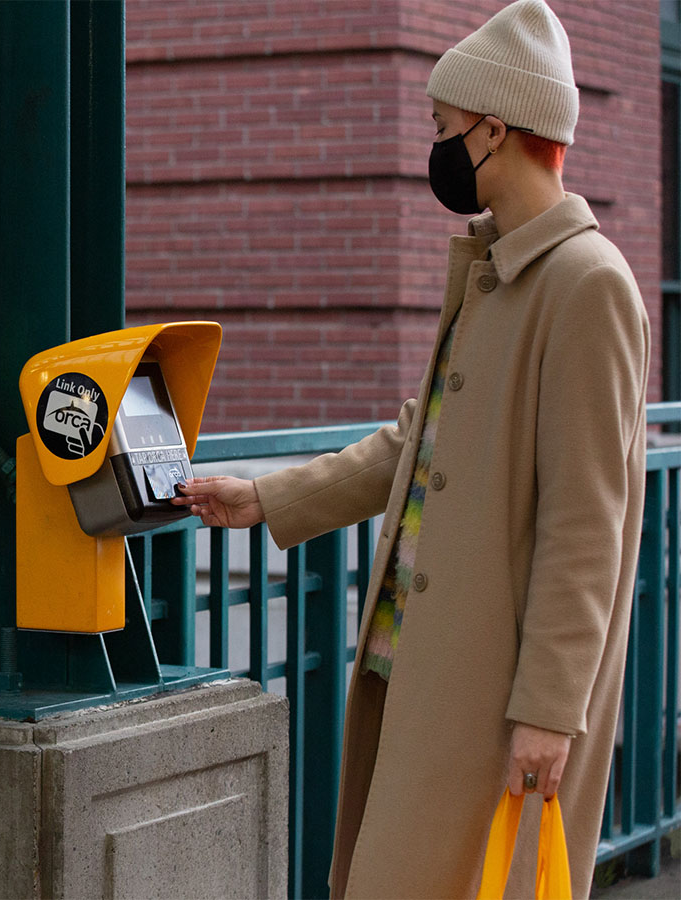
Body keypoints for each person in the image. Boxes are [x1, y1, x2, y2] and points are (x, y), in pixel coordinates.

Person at [174, 1, 650, 896]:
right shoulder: (494, 267)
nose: (434, 148)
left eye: (443, 128)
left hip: (494, 697)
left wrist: (549, 712)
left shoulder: (588, 286)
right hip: (425, 675)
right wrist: (269, 499)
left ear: (494, 129)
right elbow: (415, 445)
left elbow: (586, 524)